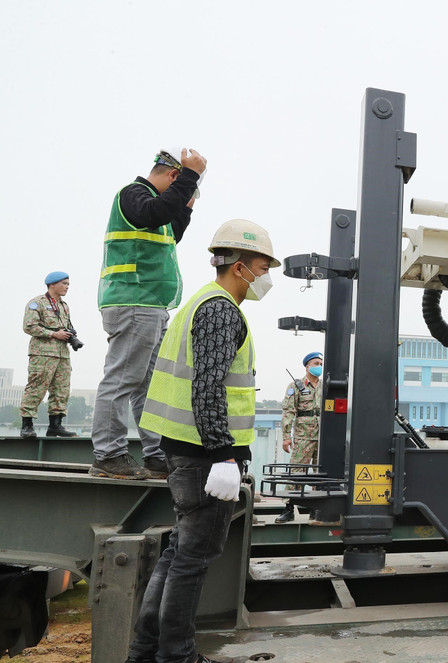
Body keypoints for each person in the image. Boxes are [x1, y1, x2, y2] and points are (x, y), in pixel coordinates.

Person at [125, 219, 279, 663]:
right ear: (240, 266)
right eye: (264, 266)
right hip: (203, 457)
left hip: (187, 450)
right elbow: (208, 387)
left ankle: (146, 651)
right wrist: (224, 456)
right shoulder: (219, 310)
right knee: (191, 560)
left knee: (179, 553)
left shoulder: (201, 304)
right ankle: (177, 655)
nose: (267, 276)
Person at [90, 148, 207, 480]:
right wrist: (191, 175)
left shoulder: (156, 208)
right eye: (181, 184)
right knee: (123, 378)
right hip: (133, 301)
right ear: (173, 177)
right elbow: (155, 213)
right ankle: (108, 454)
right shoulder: (134, 194)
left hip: (150, 305)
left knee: (150, 385)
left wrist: (187, 202)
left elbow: (172, 231)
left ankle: (155, 455)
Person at [19, 272, 79, 438]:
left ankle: (55, 425)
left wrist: (70, 335)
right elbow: (29, 326)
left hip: (62, 355)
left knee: (61, 390)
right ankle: (27, 425)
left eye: (68, 284)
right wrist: (53, 334)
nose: (67, 287)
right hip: (42, 353)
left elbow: (64, 326)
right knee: (36, 387)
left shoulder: (64, 305)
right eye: (64, 283)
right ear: (52, 284)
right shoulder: (36, 303)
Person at [275, 351, 324, 523]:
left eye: (320, 364)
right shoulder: (296, 386)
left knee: (321, 473)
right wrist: (286, 436)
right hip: (304, 435)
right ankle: (288, 508)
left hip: (323, 436)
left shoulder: (325, 386)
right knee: (296, 471)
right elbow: (288, 411)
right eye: (316, 363)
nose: (319, 367)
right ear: (307, 366)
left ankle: (316, 509)